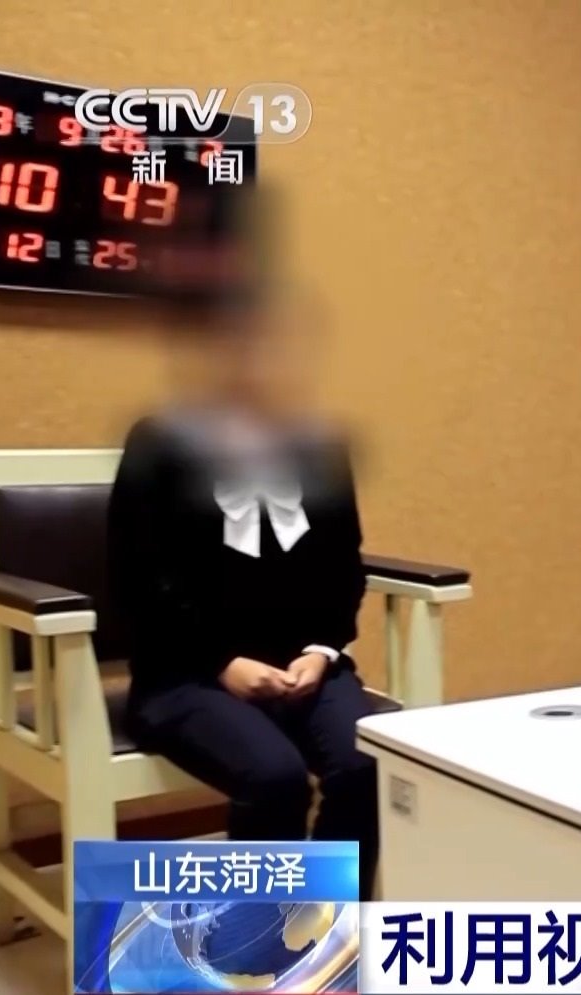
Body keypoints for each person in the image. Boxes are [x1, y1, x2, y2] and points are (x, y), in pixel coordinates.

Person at [108, 289, 381, 899]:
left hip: (306, 669)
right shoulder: (159, 441)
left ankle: (325, 924)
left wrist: (321, 651)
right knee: (274, 776)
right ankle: (261, 939)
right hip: (186, 675)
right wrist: (220, 661)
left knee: (367, 762)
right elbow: (136, 575)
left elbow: (346, 566)